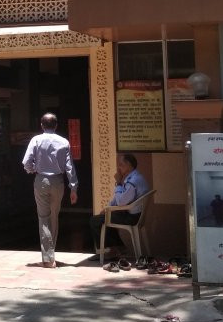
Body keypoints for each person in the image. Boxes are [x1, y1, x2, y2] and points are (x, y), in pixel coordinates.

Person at [22, 112, 78, 268]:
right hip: (58, 182)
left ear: (41, 125)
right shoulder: (64, 142)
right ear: (56, 125)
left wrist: (32, 169)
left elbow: (26, 162)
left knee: (43, 217)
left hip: (41, 181)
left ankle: (48, 258)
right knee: (54, 216)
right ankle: (51, 254)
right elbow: (69, 167)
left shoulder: (36, 140)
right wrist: (73, 188)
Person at [88, 153, 150, 262]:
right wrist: (108, 208)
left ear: (129, 165)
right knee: (105, 217)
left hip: (132, 217)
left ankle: (110, 251)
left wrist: (118, 183)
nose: (119, 168)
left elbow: (121, 202)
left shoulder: (132, 181)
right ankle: (118, 247)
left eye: (121, 165)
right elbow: (118, 200)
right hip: (133, 214)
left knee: (95, 220)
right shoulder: (135, 177)